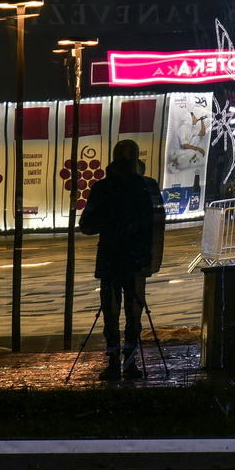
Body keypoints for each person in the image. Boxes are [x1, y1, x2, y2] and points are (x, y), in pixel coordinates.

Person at [79, 139, 166, 381]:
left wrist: (110, 223)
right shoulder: (146, 187)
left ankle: (119, 362)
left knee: (116, 312)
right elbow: (156, 225)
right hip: (130, 260)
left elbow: (87, 224)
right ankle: (126, 363)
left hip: (114, 259)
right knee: (126, 312)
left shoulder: (104, 188)